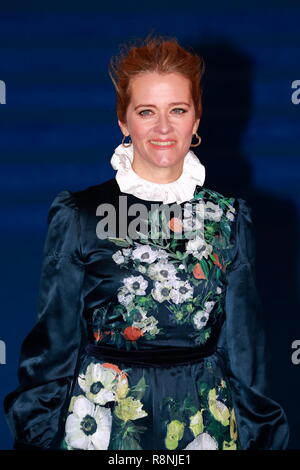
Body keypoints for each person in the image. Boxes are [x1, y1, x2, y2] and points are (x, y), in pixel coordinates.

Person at [3, 34, 289, 451]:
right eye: (146, 111)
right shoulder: (80, 214)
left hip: (204, 421)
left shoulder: (229, 219)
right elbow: (50, 352)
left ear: (196, 119)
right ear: (124, 121)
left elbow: (247, 357)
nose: (163, 127)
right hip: (104, 422)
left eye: (178, 110)